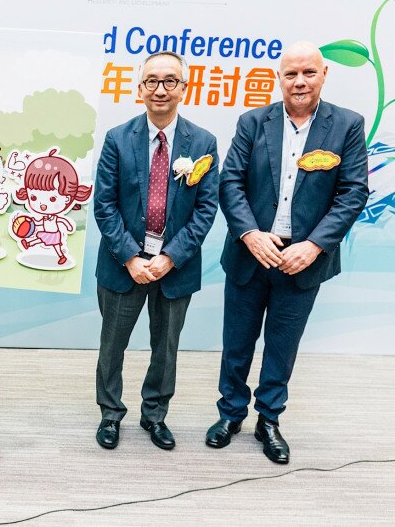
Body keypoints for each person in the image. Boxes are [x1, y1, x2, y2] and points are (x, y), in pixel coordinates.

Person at [207, 41, 369, 463]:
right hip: (251, 253)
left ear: (323, 75)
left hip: (303, 260)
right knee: (237, 343)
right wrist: (249, 234)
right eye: (291, 73)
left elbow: (353, 193)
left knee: (282, 343)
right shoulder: (252, 122)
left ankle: (269, 420)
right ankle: (230, 414)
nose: (299, 81)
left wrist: (314, 245)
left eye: (308, 72)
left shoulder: (347, 125)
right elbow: (230, 183)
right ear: (279, 78)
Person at [93, 51, 219, 450]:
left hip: (175, 267)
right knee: (112, 345)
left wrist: (170, 257)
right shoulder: (118, 138)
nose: (160, 89)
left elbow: (205, 209)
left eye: (169, 81)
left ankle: (155, 416)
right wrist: (131, 257)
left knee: (166, 348)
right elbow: (105, 205)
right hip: (122, 264)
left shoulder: (202, 142)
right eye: (151, 81)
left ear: (184, 87)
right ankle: (110, 414)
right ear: (139, 87)